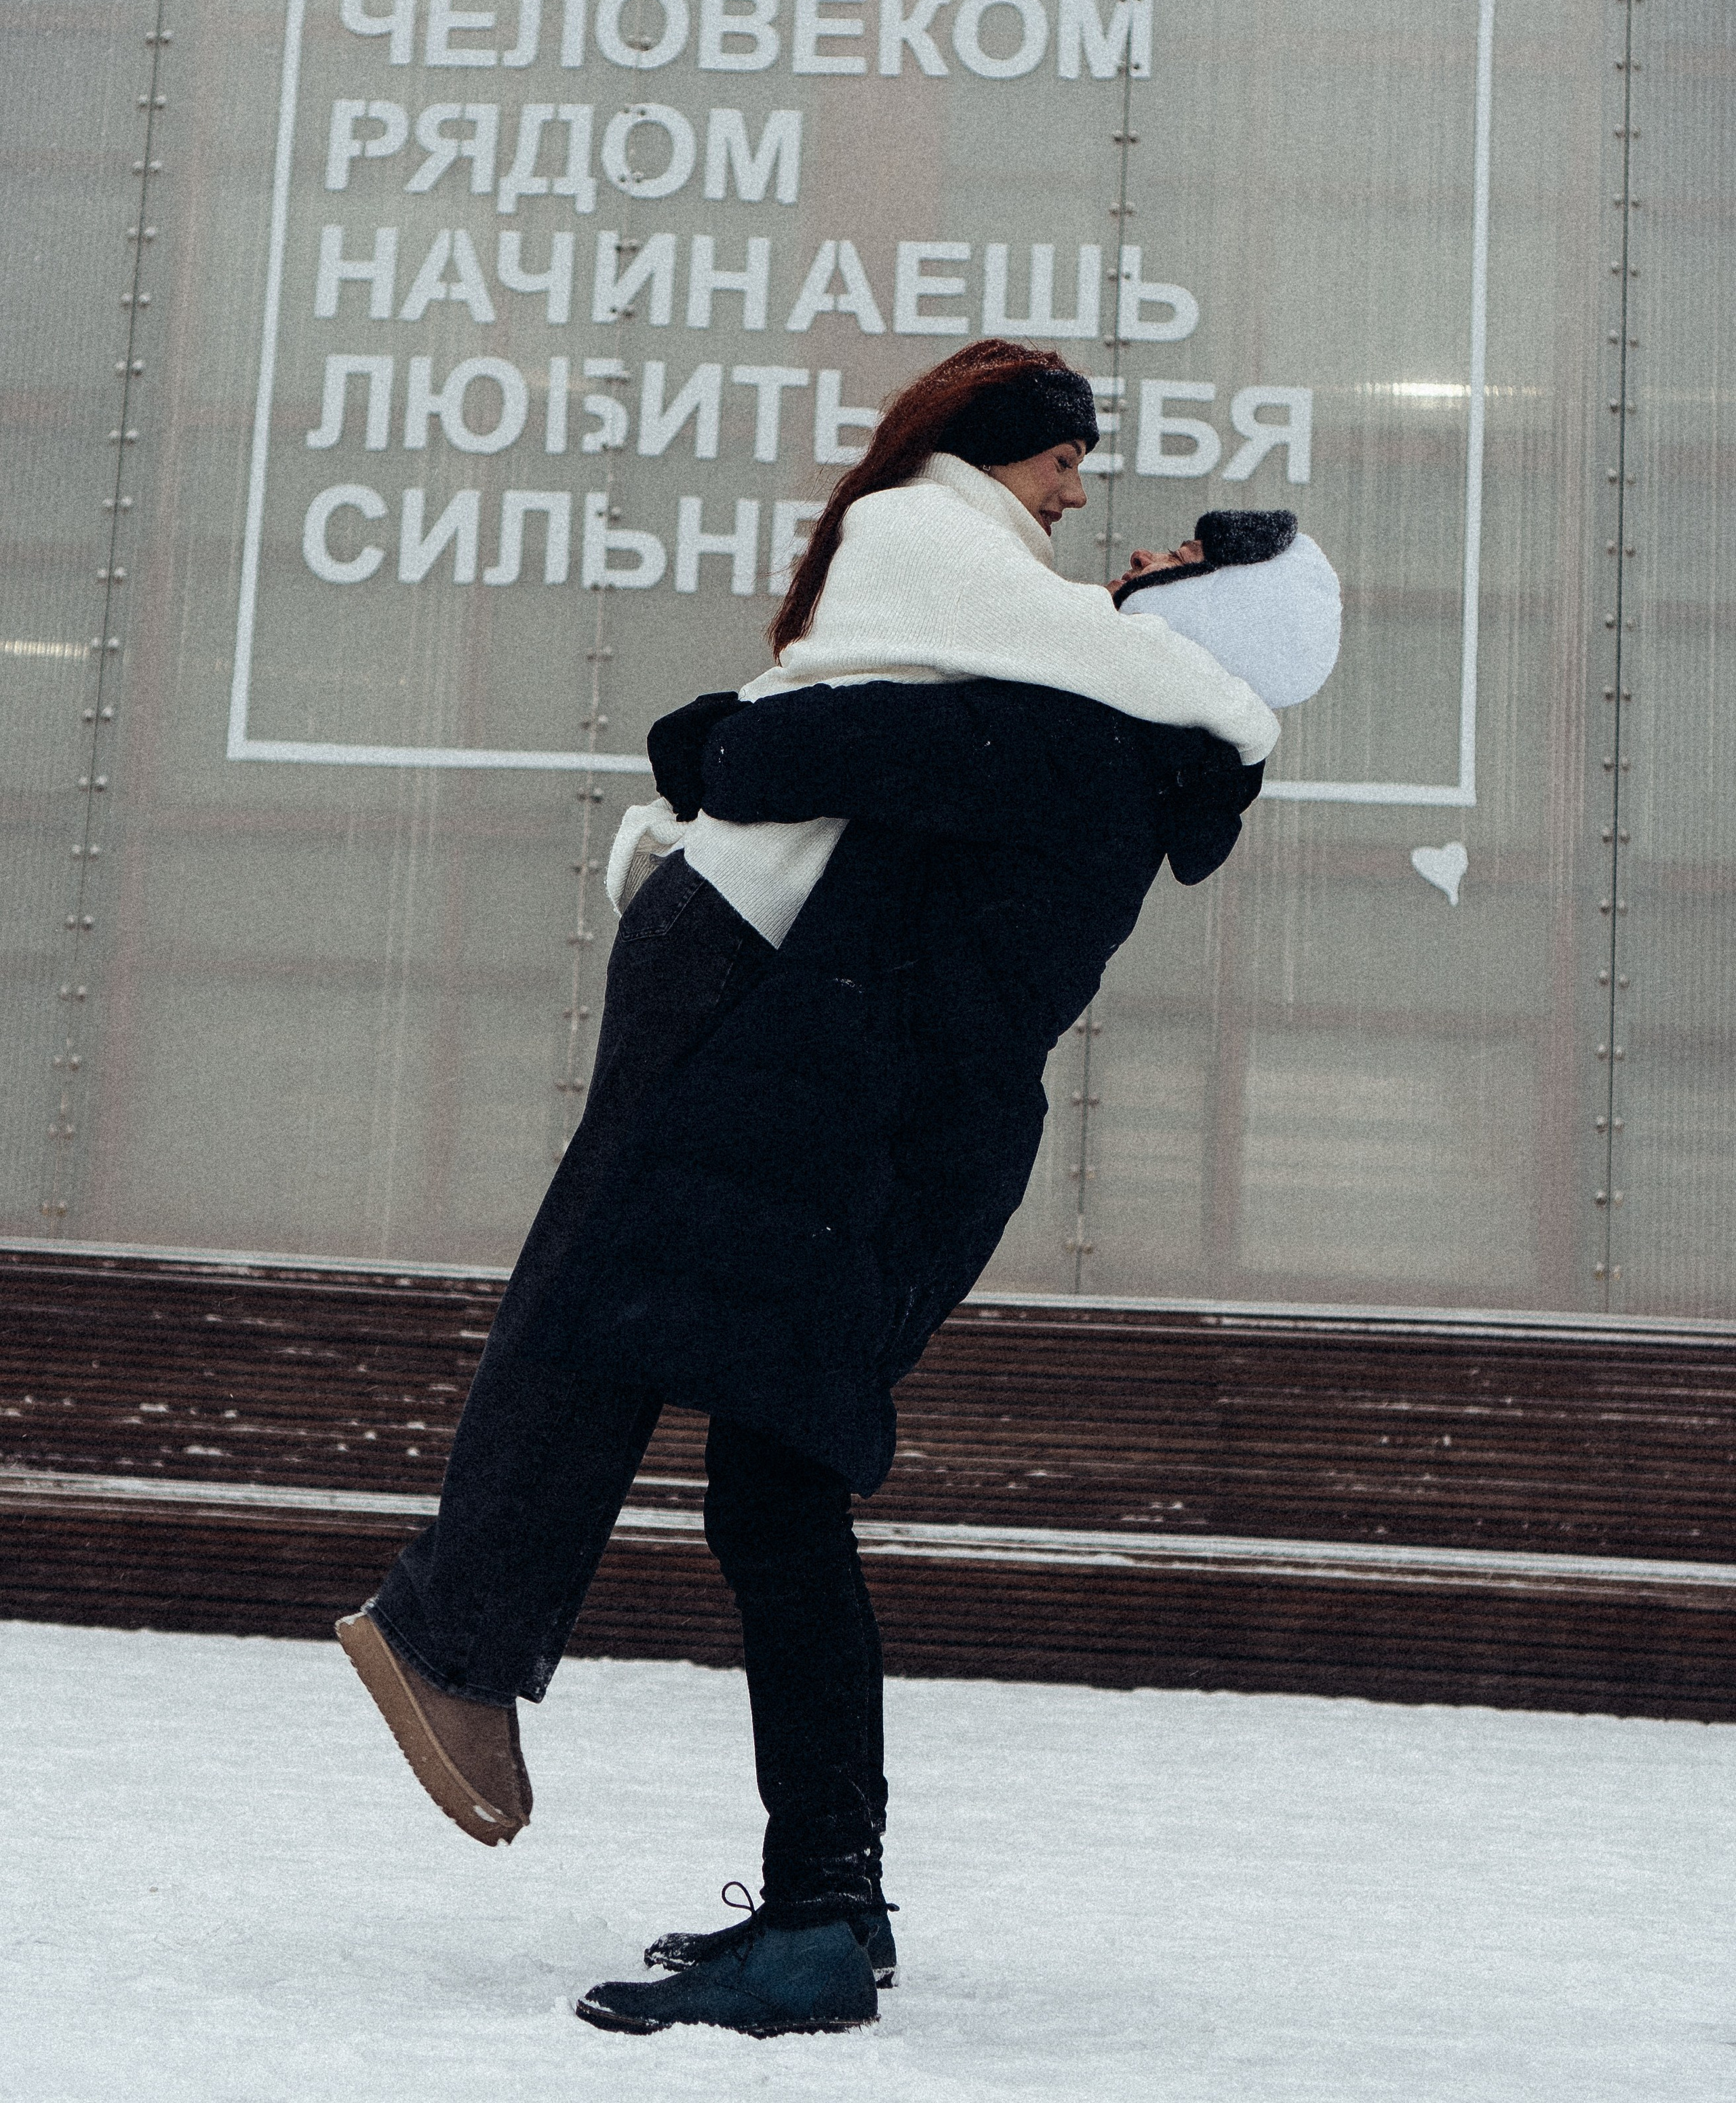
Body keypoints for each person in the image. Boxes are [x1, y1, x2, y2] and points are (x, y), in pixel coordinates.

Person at [335, 340, 1305, 2039]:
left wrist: (741, 734)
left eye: (1159, 573)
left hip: (853, 1151)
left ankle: (815, 1916)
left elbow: (736, 755)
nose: (1113, 550)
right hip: (887, 1149)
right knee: (772, 1504)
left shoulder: (1046, 737)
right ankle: (816, 1908)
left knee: (759, 1496)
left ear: (1185, 640)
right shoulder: (1105, 758)